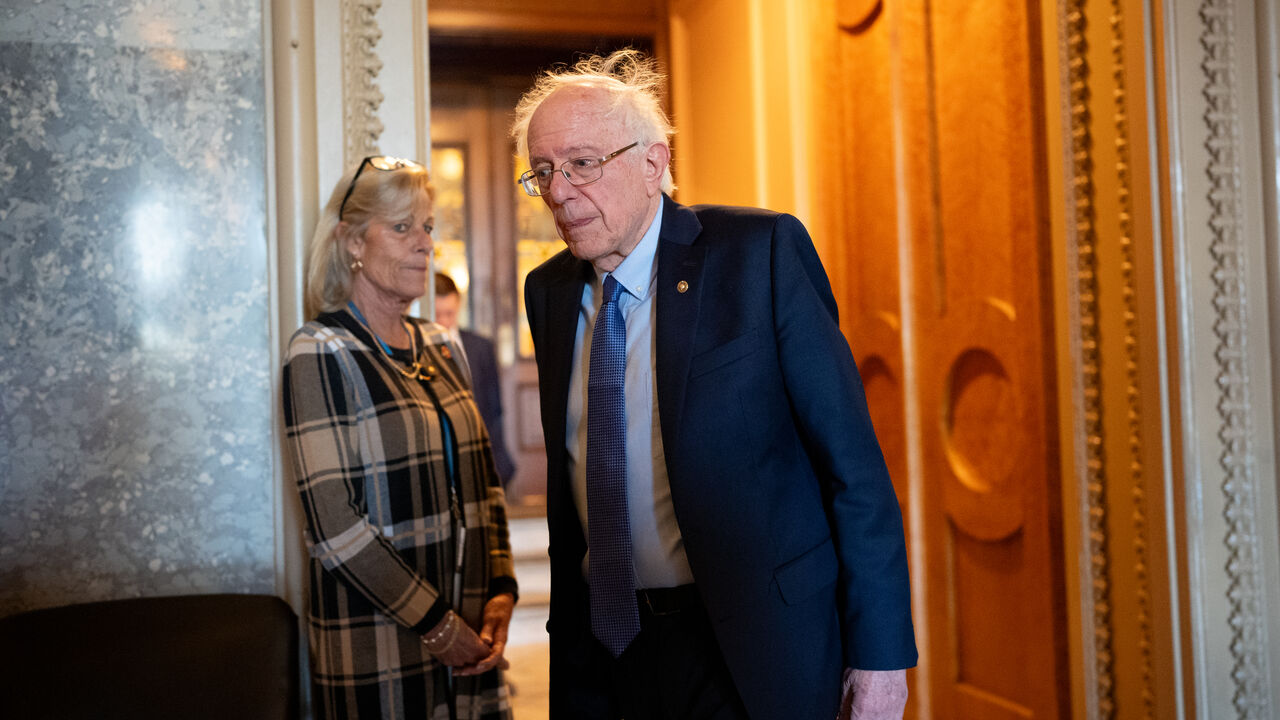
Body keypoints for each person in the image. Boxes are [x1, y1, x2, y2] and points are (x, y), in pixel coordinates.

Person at [513, 50, 916, 720]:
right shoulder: (548, 292)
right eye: (544, 171)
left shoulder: (759, 255)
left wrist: (880, 654)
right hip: (605, 650)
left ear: (653, 163)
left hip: (749, 645)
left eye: (583, 164)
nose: (558, 191)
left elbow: (854, 471)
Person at [282, 155, 518, 720]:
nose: (424, 244)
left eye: (428, 227)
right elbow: (334, 526)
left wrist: (502, 586)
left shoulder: (443, 344)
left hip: (471, 637)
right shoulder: (319, 350)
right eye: (402, 227)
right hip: (379, 646)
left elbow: (484, 484)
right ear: (352, 242)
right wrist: (439, 628)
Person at [433, 272, 518, 487]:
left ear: (458, 305)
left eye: (449, 314)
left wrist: (498, 463)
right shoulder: (418, 348)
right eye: (437, 315)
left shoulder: (481, 347)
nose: (443, 322)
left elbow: (494, 408)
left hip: (482, 460)